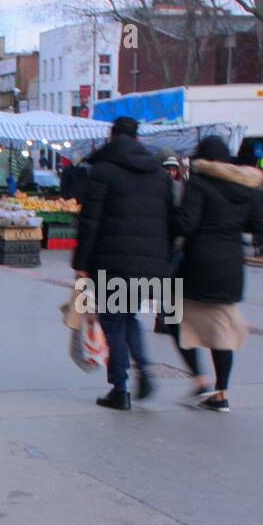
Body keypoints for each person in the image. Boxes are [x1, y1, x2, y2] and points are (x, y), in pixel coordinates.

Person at [72, 116, 174, 410]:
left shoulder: (103, 170)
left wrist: (82, 263)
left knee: (114, 322)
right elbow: (169, 221)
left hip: (112, 260)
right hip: (148, 264)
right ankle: (143, 366)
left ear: (111, 136)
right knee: (129, 318)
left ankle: (120, 388)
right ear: (138, 138)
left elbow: (90, 221)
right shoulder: (158, 173)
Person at [169, 135, 263, 413]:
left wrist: (170, 219)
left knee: (175, 321)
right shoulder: (246, 185)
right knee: (221, 330)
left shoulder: (198, 184)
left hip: (198, 264)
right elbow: (260, 222)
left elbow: (186, 224)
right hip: (230, 267)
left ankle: (201, 382)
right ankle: (221, 392)